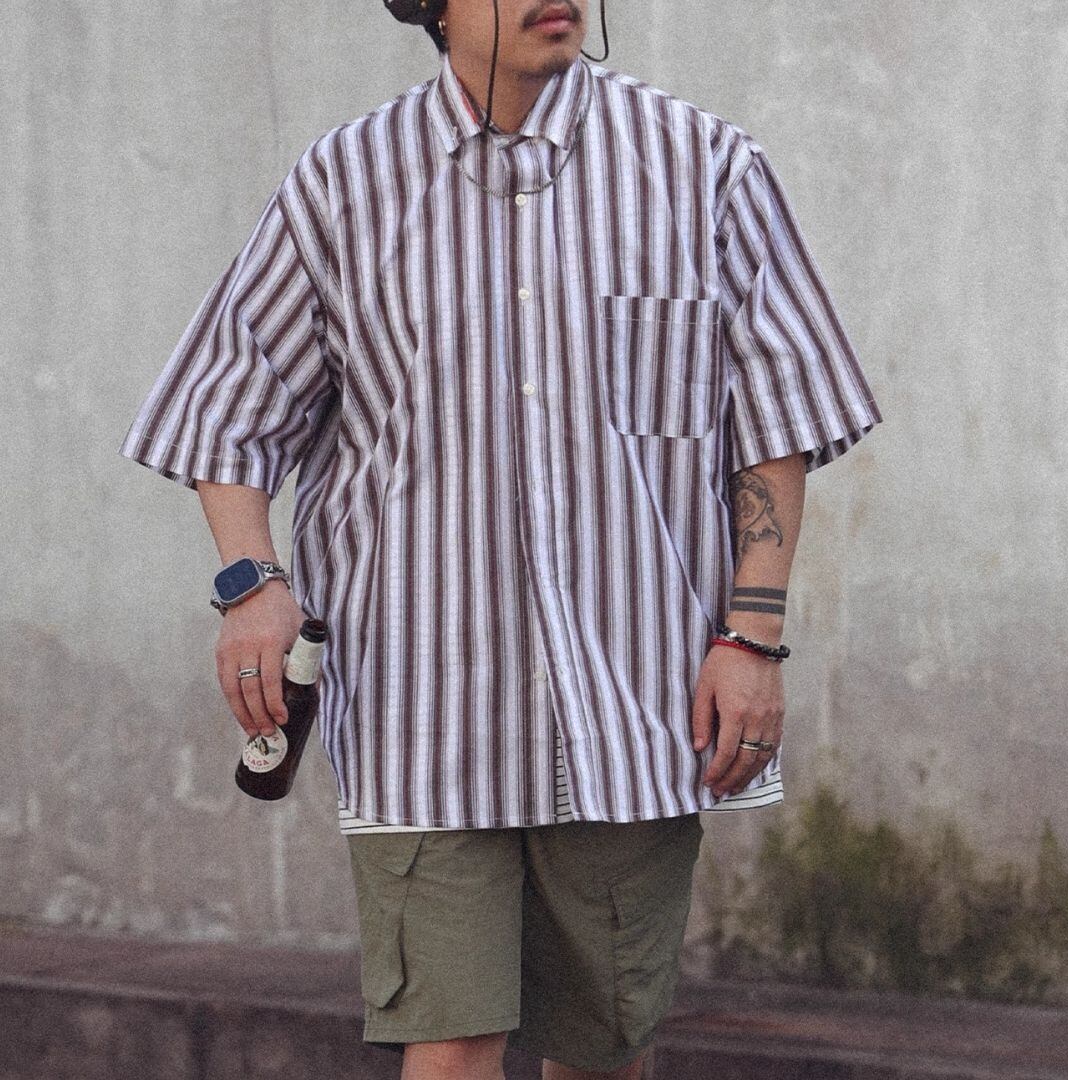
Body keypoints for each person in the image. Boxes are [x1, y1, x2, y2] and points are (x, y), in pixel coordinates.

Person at [118, 1, 884, 1077]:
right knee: (452, 1045)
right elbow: (229, 407)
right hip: (420, 708)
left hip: (636, 700)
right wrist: (253, 585)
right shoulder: (343, 184)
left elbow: (777, 419)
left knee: (605, 1052)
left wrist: (752, 638)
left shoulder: (704, 166)